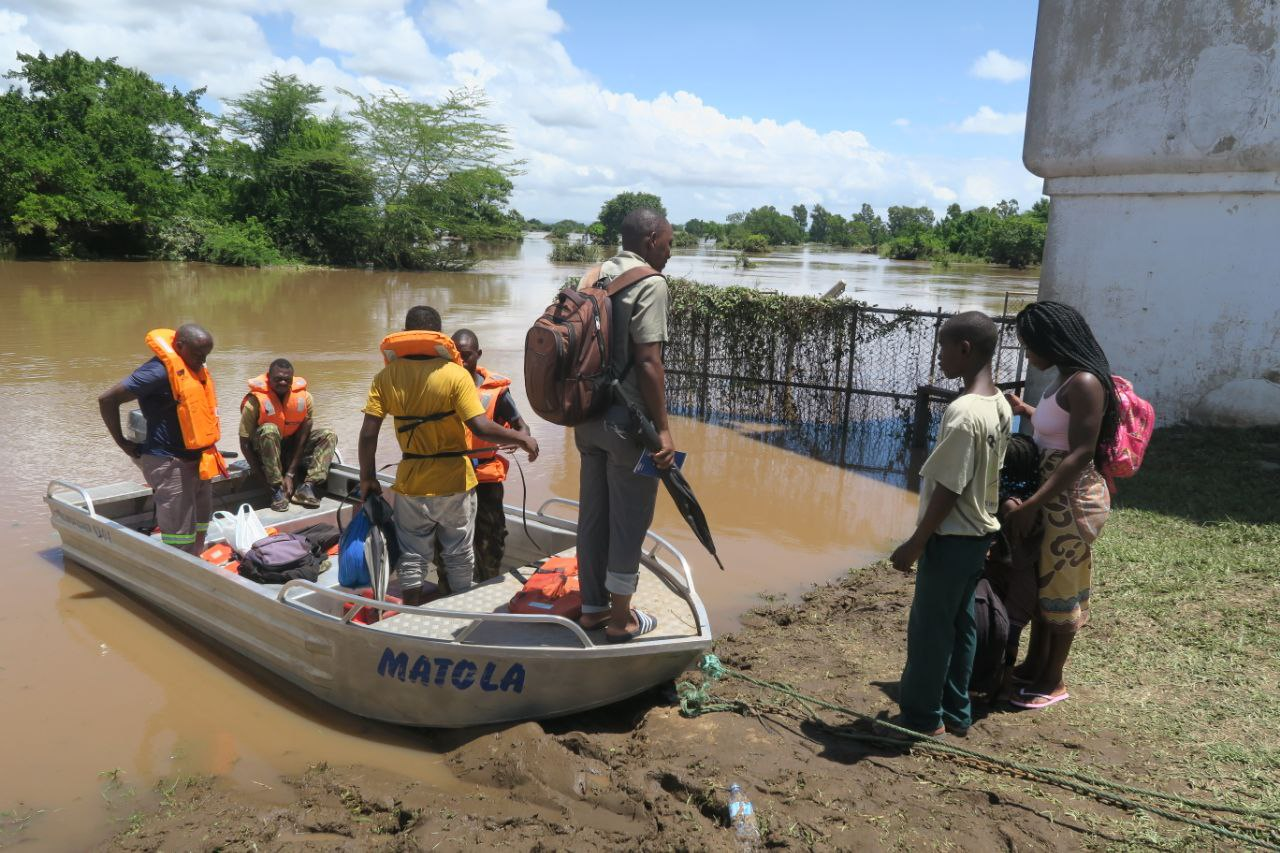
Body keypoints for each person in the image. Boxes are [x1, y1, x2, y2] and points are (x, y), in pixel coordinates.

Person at [358, 306, 539, 605]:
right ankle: (460, 610)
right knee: (458, 554)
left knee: (413, 556)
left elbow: (367, 434)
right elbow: (480, 425)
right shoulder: (456, 375)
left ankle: (412, 610)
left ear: (407, 334)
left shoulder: (385, 377)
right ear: (439, 336)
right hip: (455, 481)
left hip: (412, 482)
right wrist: (522, 439)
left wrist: (367, 479)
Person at [887, 311, 1012, 736]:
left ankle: (922, 718)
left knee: (928, 631)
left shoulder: (962, 413)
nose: (939, 357)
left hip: (951, 537)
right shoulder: (999, 403)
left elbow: (950, 488)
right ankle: (956, 713)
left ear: (964, 349)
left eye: (943, 348)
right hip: (978, 535)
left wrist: (915, 543)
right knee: (960, 624)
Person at [1004, 301, 1117, 711]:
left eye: (1031, 346)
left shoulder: (1085, 382)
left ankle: (1054, 680)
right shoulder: (1063, 380)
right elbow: (1058, 431)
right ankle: (1035, 665)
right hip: (1050, 494)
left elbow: (1080, 452)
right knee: (1041, 583)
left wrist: (1033, 504)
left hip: (1067, 499)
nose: (1028, 354)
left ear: (1052, 341)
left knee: (1062, 587)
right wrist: (1027, 411)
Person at [574, 207, 676, 643]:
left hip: (586, 417)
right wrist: (664, 429)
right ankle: (621, 620)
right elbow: (649, 362)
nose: (670, 253)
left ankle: (592, 610)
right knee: (629, 521)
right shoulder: (650, 283)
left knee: (593, 517)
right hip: (627, 424)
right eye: (669, 244)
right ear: (651, 239)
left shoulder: (592, 276)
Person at [98, 324, 222, 554]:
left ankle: (195, 567)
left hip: (199, 459)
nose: (202, 360)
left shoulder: (192, 367)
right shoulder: (156, 372)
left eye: (206, 355)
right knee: (179, 536)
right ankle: (179, 578)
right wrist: (123, 442)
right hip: (170, 462)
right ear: (180, 346)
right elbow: (107, 400)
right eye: (197, 355)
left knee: (201, 523)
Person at [451, 329, 531, 581]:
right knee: (451, 540)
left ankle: (487, 584)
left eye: (467, 356)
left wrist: (519, 440)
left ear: (478, 354)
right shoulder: (441, 385)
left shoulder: (496, 392)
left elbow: (522, 427)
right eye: (456, 356)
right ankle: (453, 594)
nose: (461, 362)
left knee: (491, 538)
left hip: (485, 478)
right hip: (449, 477)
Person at [239, 358, 338, 512]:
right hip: (265, 450)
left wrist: (290, 474)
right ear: (269, 378)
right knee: (270, 429)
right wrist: (262, 481)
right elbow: (244, 443)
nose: (283, 383)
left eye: (287, 379)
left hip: (292, 447)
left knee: (328, 435)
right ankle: (276, 490)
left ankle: (307, 488)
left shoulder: (305, 398)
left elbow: (304, 435)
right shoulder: (254, 402)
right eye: (278, 379)